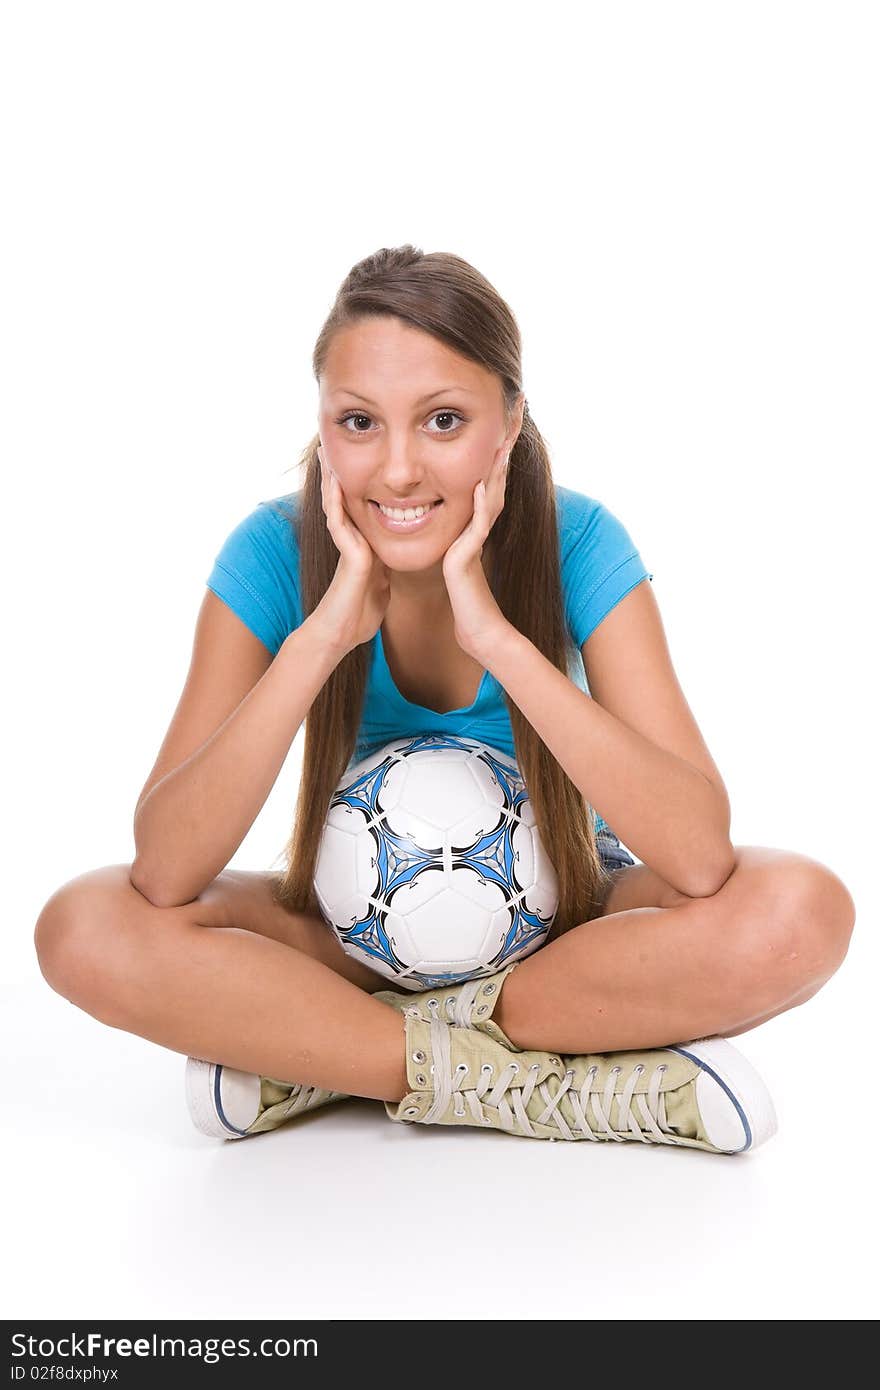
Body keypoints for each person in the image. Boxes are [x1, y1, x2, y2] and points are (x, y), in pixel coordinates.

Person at [34, 245, 856, 1154]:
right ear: (321, 425)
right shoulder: (272, 552)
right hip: (354, 935)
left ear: (509, 423)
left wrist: (498, 636)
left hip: (561, 938)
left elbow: (699, 858)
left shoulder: (577, 539)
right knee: (85, 926)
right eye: (358, 422)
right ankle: (521, 1083)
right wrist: (318, 642)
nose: (395, 472)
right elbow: (164, 872)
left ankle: (314, 1053)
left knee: (799, 911)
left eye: (443, 421)